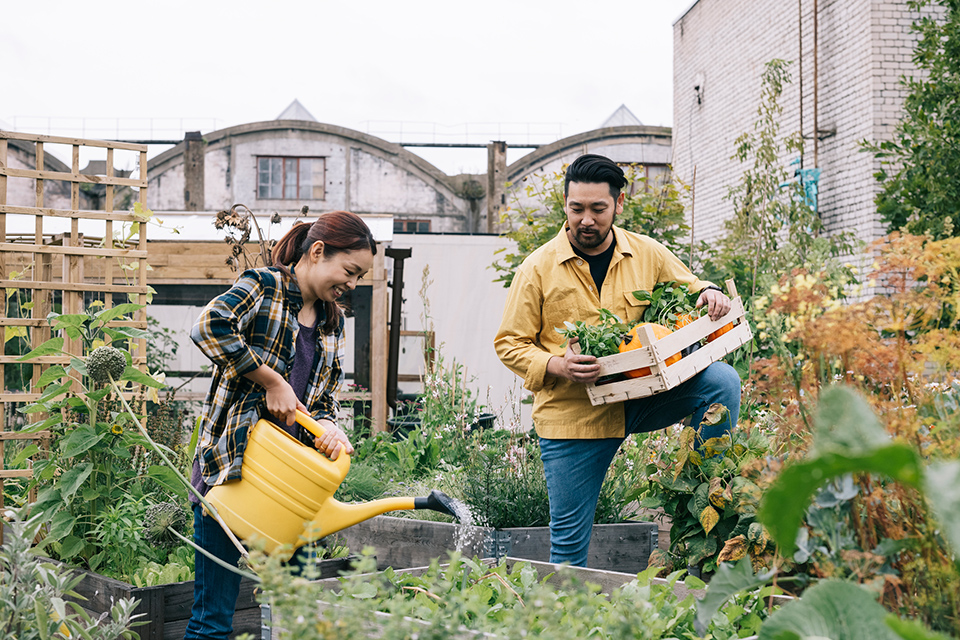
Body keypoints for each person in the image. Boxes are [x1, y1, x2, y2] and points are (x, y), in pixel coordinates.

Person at [494, 154, 741, 567]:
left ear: (619, 203)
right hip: (575, 415)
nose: (586, 220)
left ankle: (704, 489)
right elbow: (509, 343)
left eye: (598, 208)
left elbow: (692, 285)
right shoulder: (537, 268)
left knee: (722, 380)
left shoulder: (645, 253)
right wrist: (558, 366)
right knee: (568, 547)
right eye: (576, 208)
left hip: (641, 397)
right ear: (565, 204)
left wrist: (710, 291)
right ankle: (565, 605)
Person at [183, 210, 375, 640]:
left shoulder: (332, 322)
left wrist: (330, 427)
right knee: (213, 620)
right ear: (318, 251)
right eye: (350, 271)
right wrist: (271, 380)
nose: (352, 284)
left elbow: (323, 399)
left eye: (360, 277)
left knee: (298, 615)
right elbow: (209, 326)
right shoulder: (264, 286)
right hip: (230, 473)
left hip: (288, 487)